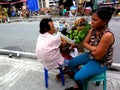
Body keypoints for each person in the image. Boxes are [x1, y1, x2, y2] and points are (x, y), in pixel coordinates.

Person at [64, 7, 115, 90]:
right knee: (71, 63)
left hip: (102, 62)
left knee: (77, 77)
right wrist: (94, 49)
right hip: (91, 55)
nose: (92, 22)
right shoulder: (93, 29)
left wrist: (92, 49)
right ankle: (82, 81)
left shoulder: (107, 35)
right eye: (92, 19)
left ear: (104, 21)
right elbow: (84, 43)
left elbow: (98, 56)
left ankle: (80, 86)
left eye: (95, 20)